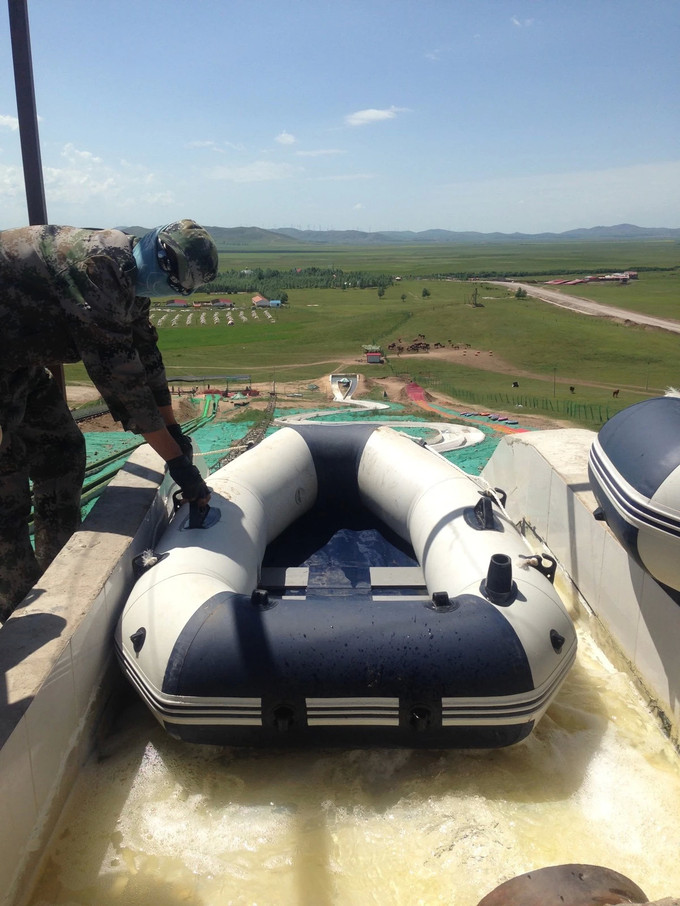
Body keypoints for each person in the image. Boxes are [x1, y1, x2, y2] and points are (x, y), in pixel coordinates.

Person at [0, 219, 219, 621]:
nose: (174, 291)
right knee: (6, 488)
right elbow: (123, 383)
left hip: (15, 360)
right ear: (160, 255)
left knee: (62, 450)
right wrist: (177, 464)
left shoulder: (129, 280)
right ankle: (18, 609)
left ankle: (57, 565)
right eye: (176, 280)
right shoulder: (96, 268)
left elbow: (146, 357)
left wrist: (174, 432)